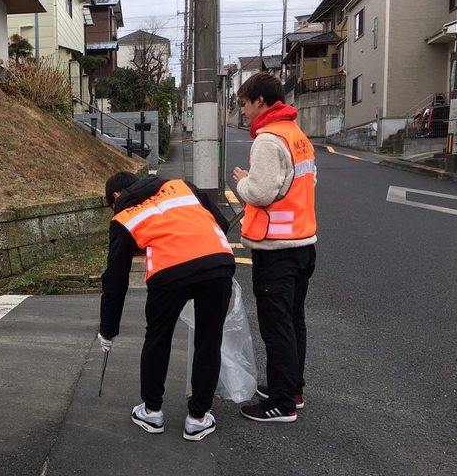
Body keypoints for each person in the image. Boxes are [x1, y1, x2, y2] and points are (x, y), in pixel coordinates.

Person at [98, 172, 235, 441]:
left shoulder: (123, 217)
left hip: (168, 272)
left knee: (158, 338)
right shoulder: (180, 185)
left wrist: (108, 330)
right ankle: (197, 419)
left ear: (116, 195)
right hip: (217, 263)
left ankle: (151, 412)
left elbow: (115, 279)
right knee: (208, 340)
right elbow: (221, 223)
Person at [231, 72, 317, 423]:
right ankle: (292, 389)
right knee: (294, 321)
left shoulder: (268, 140)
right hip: (303, 244)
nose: (243, 113)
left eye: (244, 105)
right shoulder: (297, 137)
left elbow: (262, 191)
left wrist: (242, 183)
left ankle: (281, 403)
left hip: (276, 249)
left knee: (276, 326)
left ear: (260, 102)